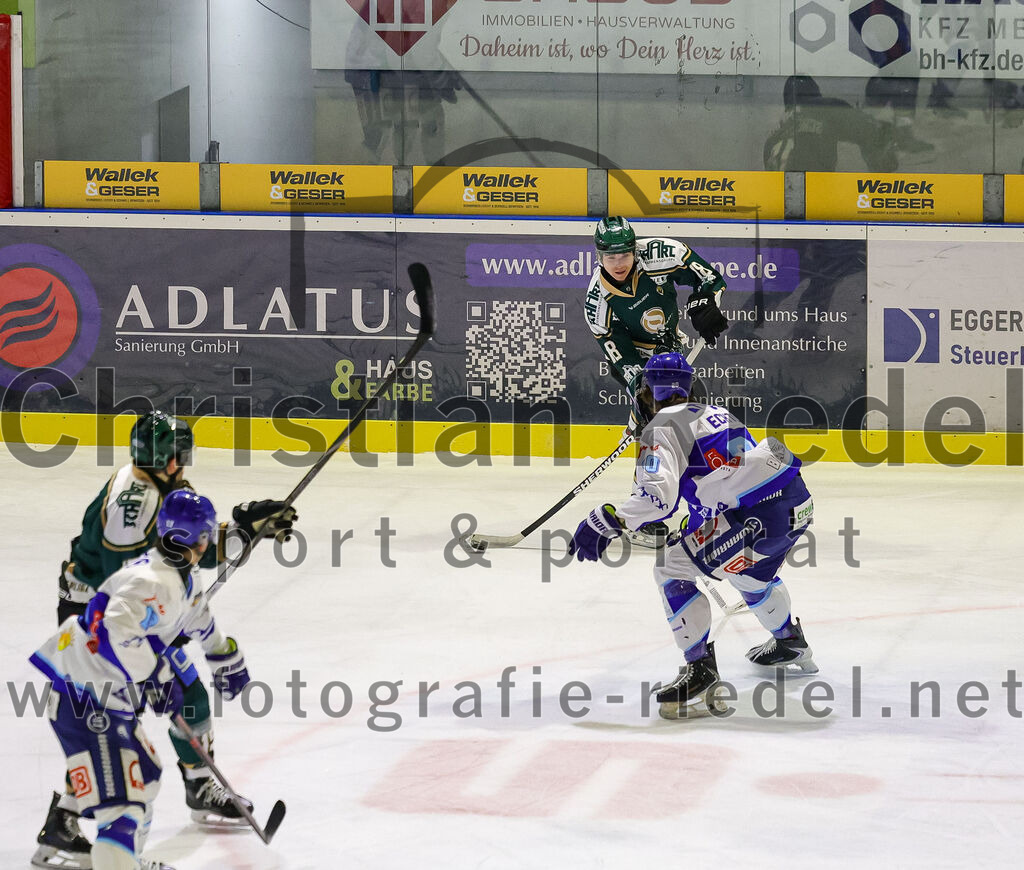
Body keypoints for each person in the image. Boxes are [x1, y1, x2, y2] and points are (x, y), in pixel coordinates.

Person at [33, 411, 296, 869]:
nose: (181, 465)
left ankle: (196, 784)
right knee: (110, 724)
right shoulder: (131, 503)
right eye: (175, 458)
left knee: (182, 698)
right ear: (156, 459)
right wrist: (154, 662)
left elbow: (180, 557)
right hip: (101, 615)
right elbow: (145, 574)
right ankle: (67, 818)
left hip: (128, 614)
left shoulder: (158, 486)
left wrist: (244, 533)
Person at [568, 353, 817, 720]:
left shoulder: (662, 428)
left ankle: (701, 673)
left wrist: (608, 519)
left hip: (754, 518)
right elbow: (728, 475)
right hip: (795, 505)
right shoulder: (714, 413)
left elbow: (658, 499)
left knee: (670, 568)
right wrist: (699, 525)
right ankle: (790, 642)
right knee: (745, 574)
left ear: (651, 392)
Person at [31, 490, 243, 870]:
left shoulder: (180, 577)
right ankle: (118, 861)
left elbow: (197, 619)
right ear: (202, 538)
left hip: (99, 693)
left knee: (145, 775)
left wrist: (223, 656)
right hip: (85, 696)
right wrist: (157, 675)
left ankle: (107, 850)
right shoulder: (151, 580)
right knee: (125, 801)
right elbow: (112, 629)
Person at [584, 216, 729, 546]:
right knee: (654, 429)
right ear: (598, 256)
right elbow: (620, 356)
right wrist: (642, 390)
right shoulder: (598, 304)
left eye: (624, 255)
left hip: (671, 348)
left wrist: (707, 301)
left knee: (692, 422)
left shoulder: (663, 253)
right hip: (640, 355)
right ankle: (644, 511)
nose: (618, 263)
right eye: (610, 257)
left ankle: (705, 503)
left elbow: (710, 279)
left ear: (634, 250)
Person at [763, 75, 897, 172]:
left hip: (780, 198)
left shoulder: (772, 138)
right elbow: (871, 134)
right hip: (815, 193)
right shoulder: (824, 110)